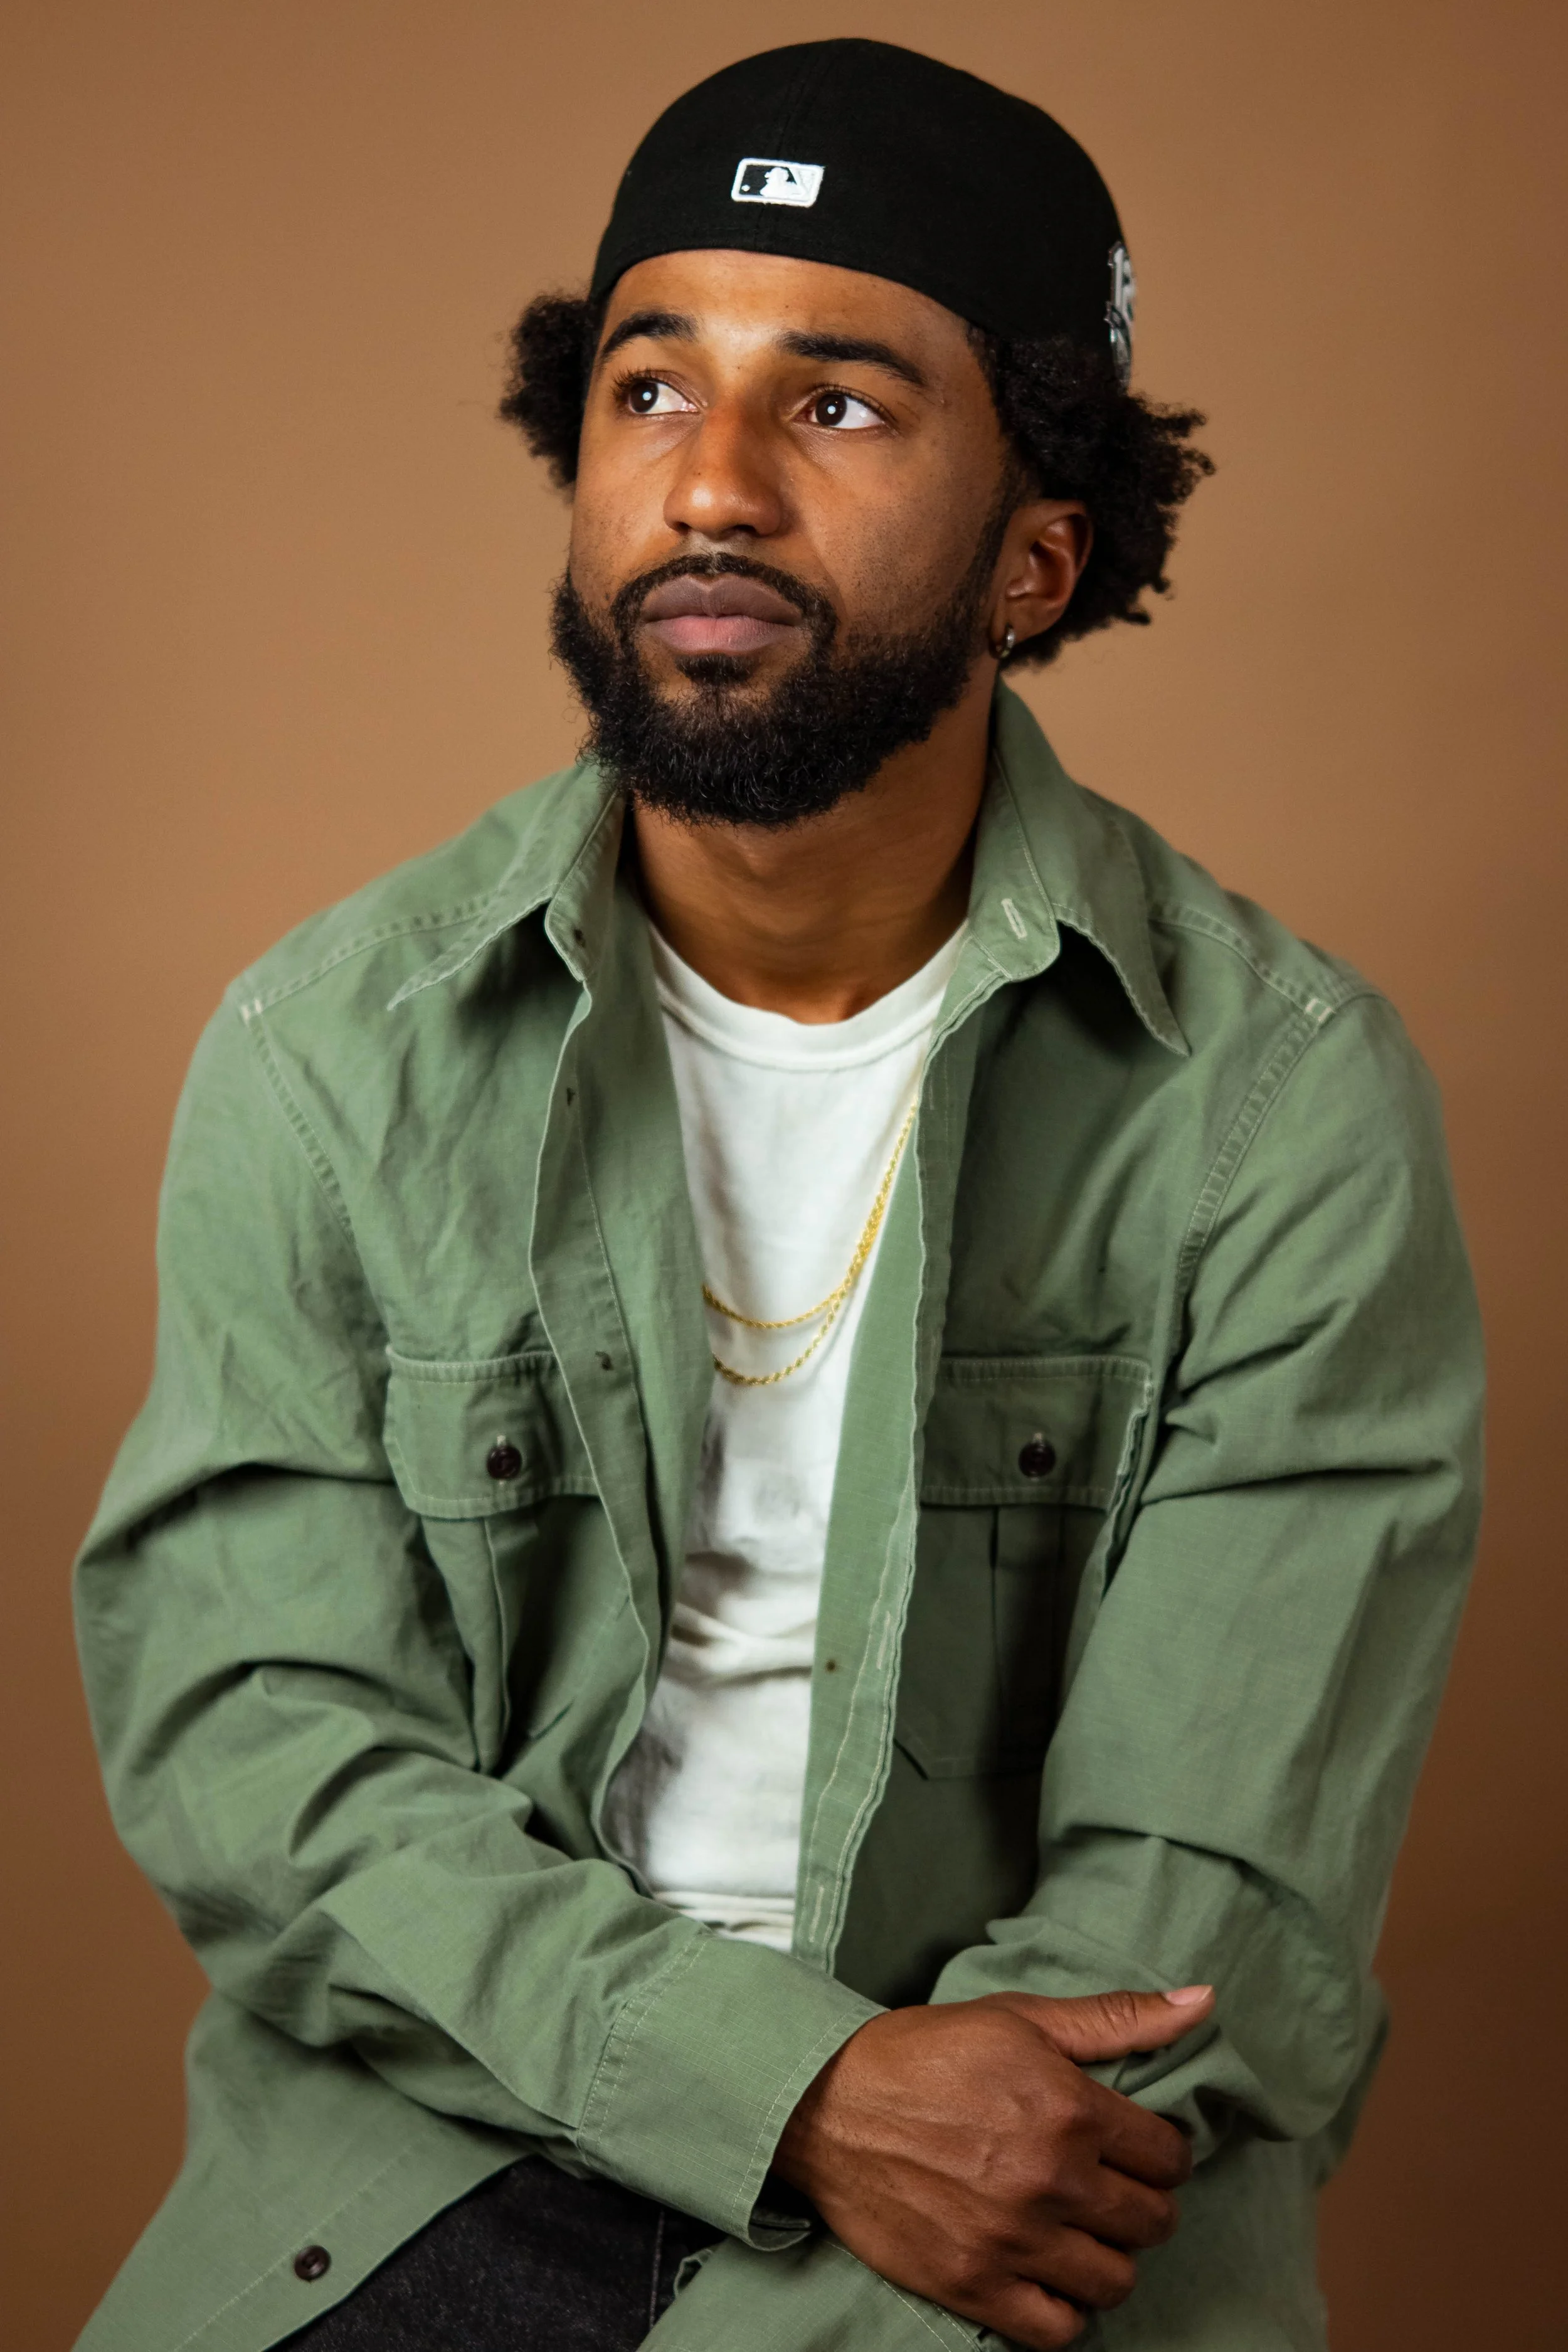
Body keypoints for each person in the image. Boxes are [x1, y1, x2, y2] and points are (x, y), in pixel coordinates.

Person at [74, 38, 1482, 2352]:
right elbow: (265, 1753)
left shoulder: (1273, 1107)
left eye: (834, 406)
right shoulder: (328, 1052)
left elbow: (1212, 1893)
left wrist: (885, 2147)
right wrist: (787, 2086)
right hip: (451, 2137)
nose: (706, 484)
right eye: (649, 389)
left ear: (1040, 556)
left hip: (1026, 2189)